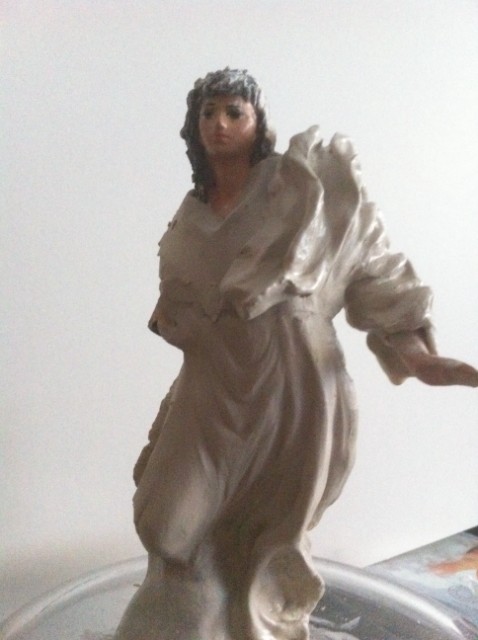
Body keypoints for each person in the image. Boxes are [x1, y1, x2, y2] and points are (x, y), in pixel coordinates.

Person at [114, 68, 478, 640]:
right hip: (211, 388)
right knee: (170, 525)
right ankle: (186, 620)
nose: (219, 124)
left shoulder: (304, 189)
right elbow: (179, 307)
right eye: (208, 113)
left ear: (257, 121)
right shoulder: (191, 213)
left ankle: (253, 624)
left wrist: (420, 359)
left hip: (290, 392)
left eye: (234, 111)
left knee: (266, 536)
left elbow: (371, 268)